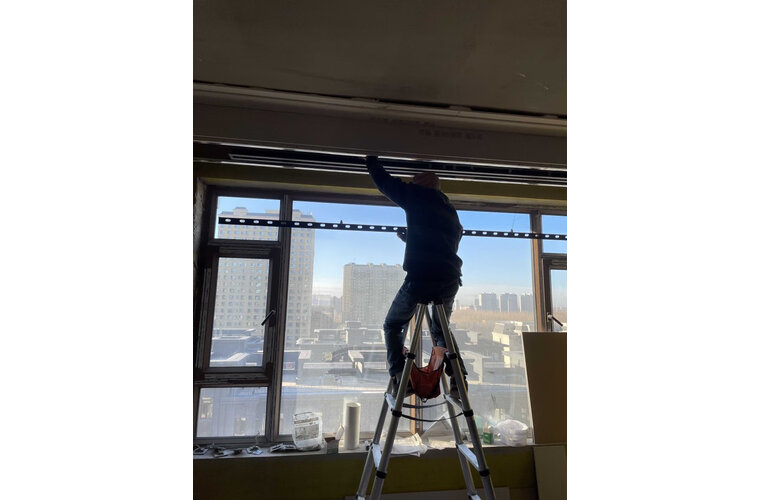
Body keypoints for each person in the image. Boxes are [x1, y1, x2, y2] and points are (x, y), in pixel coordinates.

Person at [365, 155, 468, 399]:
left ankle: (401, 377)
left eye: (413, 181)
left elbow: (386, 183)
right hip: (449, 278)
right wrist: (410, 239)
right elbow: (444, 242)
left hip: (422, 277)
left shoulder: (417, 196)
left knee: (393, 325)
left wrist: (370, 158)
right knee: (441, 330)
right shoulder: (449, 210)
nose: (410, 184)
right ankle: (459, 379)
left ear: (421, 184)